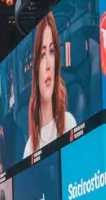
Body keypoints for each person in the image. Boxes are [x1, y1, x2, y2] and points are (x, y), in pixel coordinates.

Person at [23, 12, 77, 158]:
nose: (48, 65)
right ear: (35, 68)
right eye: (42, 55)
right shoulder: (29, 148)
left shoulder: (68, 123)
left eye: (52, 51)